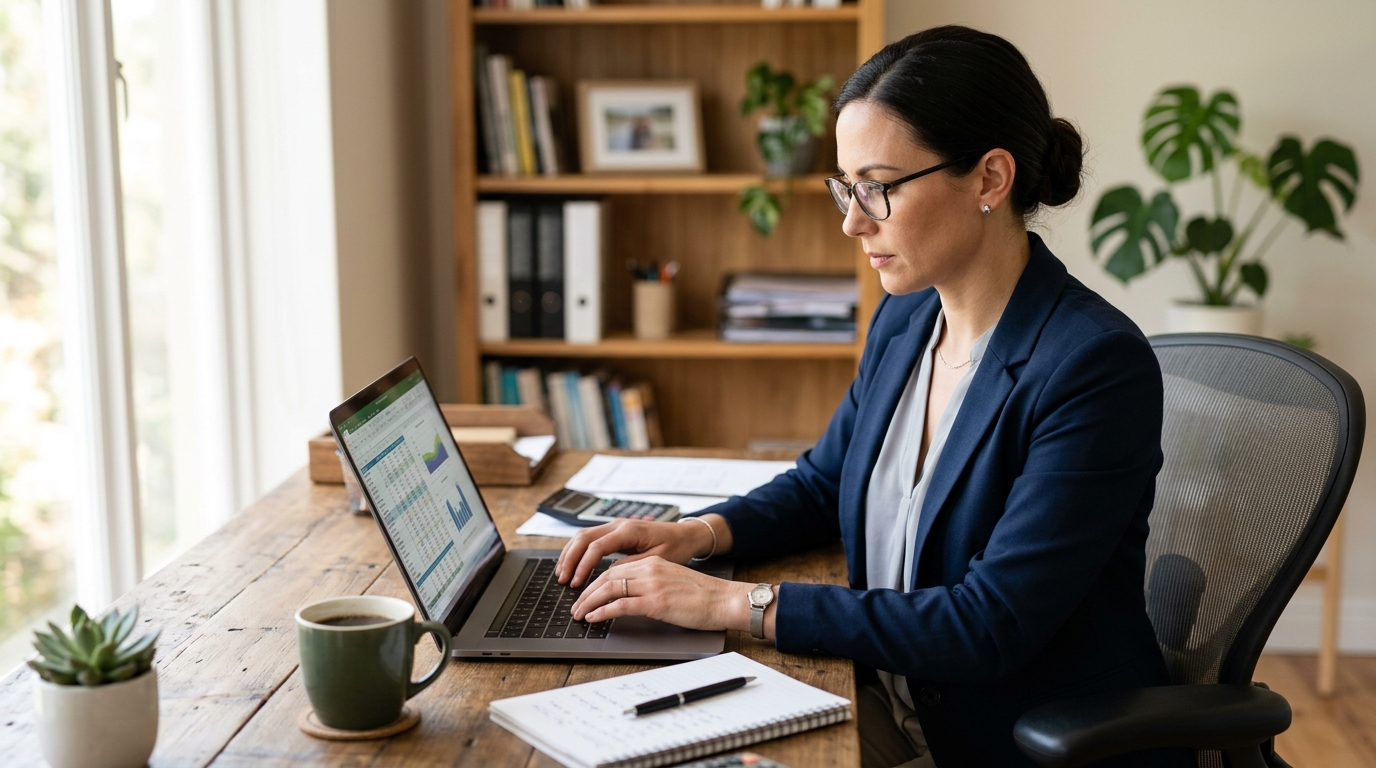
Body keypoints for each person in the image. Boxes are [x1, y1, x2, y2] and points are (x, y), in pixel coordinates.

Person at [557, 26, 1187, 768]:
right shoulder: (908, 317)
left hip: (1001, 744)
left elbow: (989, 625)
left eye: (878, 188)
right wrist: (699, 535)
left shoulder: (1093, 367)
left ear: (990, 179)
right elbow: (826, 481)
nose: (852, 220)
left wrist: (736, 604)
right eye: (845, 186)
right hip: (885, 702)